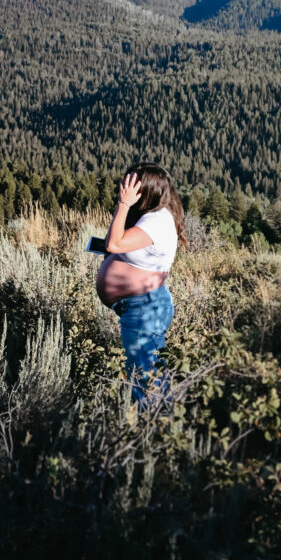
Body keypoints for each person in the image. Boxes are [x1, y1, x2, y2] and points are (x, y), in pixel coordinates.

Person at [96, 162, 189, 403]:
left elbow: (113, 245)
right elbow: (112, 241)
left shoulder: (157, 221)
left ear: (145, 190)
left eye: (131, 184)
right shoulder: (149, 216)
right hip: (142, 306)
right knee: (149, 374)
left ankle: (151, 430)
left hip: (145, 307)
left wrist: (124, 204)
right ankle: (158, 426)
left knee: (144, 379)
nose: (124, 187)